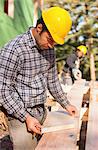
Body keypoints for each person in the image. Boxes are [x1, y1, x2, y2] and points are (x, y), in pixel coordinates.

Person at [0, 6, 78, 150]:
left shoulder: (49, 48)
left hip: (41, 110)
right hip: (19, 115)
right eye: (49, 39)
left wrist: (66, 104)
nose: (51, 46)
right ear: (39, 27)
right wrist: (26, 117)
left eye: (54, 42)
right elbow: (3, 91)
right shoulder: (14, 50)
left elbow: (52, 80)